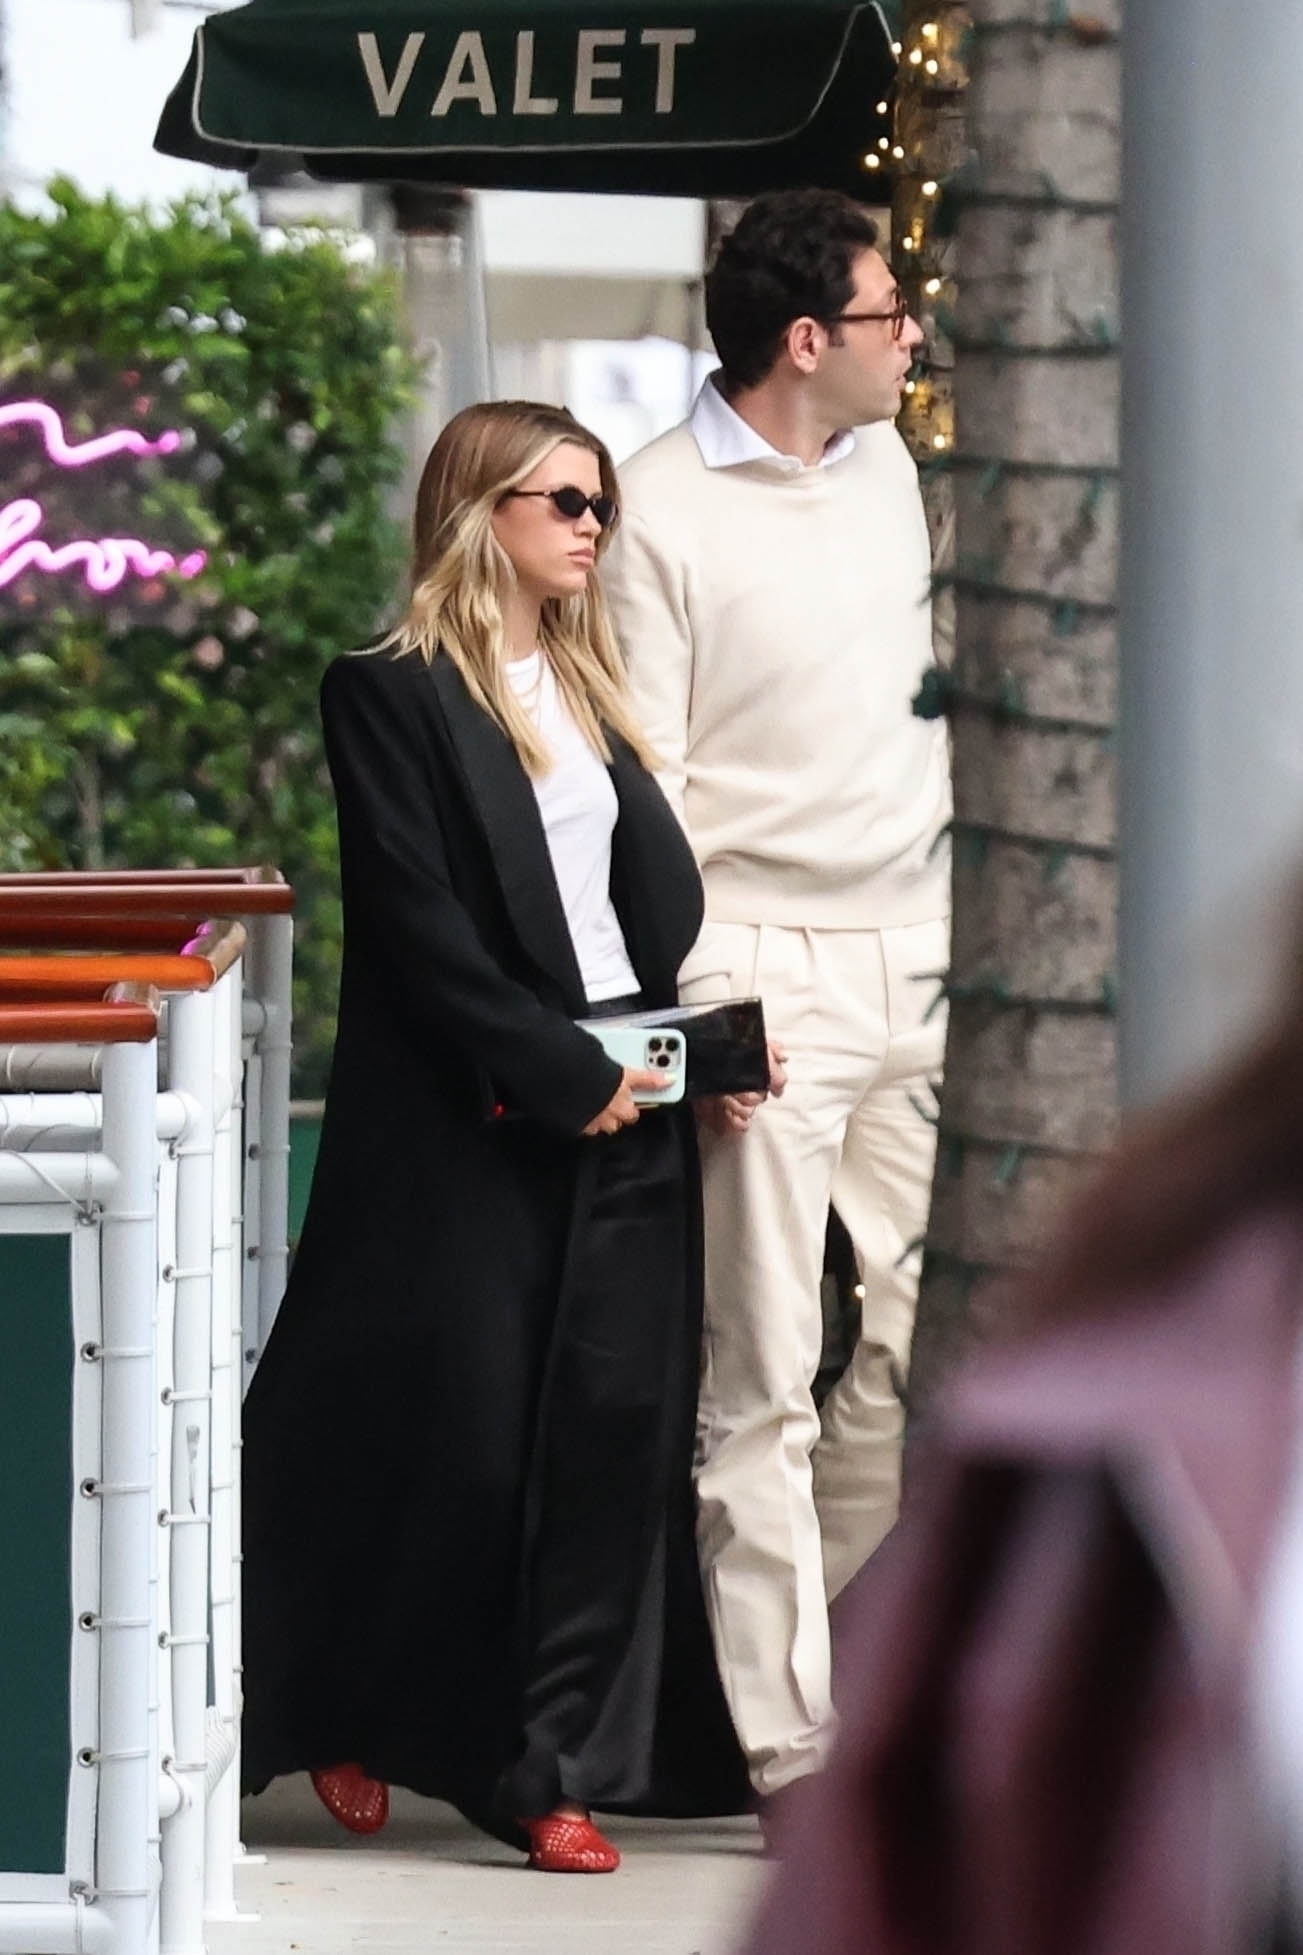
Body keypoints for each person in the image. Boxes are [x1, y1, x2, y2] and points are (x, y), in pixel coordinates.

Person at [239, 400, 749, 1875]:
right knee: (450, 1431)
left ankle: (544, 1766)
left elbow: (628, 926)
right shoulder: (386, 689)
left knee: (601, 1441)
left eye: (599, 502)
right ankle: (340, 1696)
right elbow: (416, 922)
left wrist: (683, 1059)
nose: (593, 523)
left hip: (617, 1097)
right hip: (466, 1110)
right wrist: (544, 1064)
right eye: (563, 500)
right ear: (482, 509)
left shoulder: (590, 686)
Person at [742, 894, 1303, 1953]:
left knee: (870, 1373)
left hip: (895, 953)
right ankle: (779, 1734)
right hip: (778, 976)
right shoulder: (1106, 1426)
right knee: (764, 1386)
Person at [602, 187, 953, 1812]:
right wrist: (712, 1014)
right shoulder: (658, 512)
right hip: (770, 980)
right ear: (805, 340)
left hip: (936, 964)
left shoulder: (892, 468)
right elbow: (647, 791)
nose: (913, 341)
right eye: (890, 317)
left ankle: (874, 1711)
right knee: (760, 1382)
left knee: (901, 1357)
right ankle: (792, 1756)